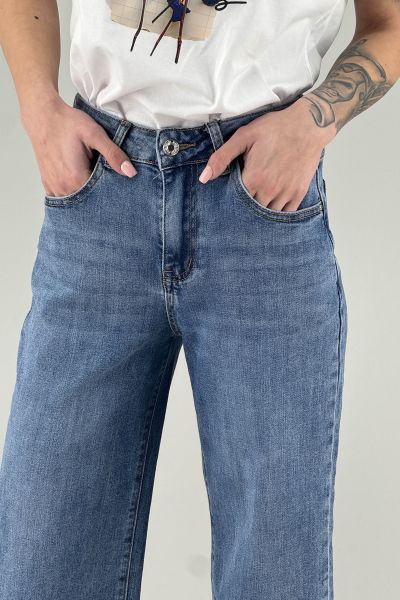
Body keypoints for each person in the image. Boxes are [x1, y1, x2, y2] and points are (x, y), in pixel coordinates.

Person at [0, 1, 398, 599]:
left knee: (274, 573)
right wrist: (38, 108)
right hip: (100, 195)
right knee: (44, 558)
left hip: (261, 205)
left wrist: (312, 123)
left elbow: (391, 22)